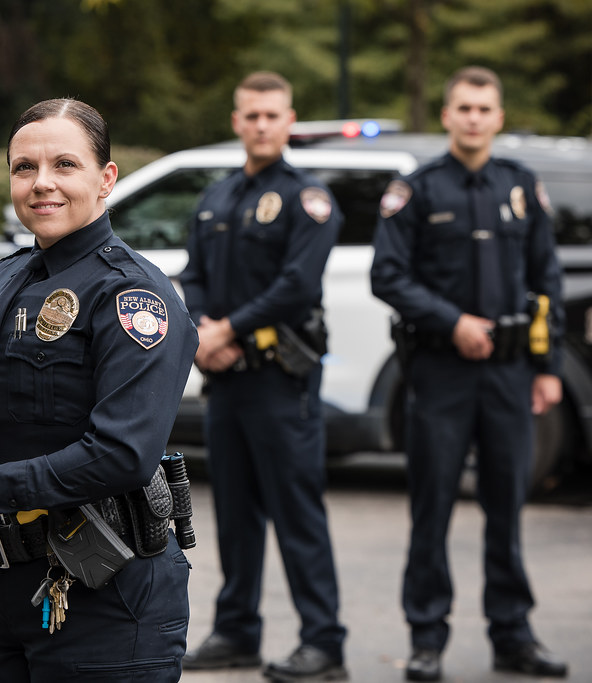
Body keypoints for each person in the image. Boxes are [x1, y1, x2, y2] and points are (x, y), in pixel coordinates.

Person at [0, 98, 198, 682]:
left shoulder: (134, 297)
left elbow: (122, 454)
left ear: (106, 178)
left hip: (106, 602)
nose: (42, 184)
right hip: (3, 596)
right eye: (25, 168)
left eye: (64, 165)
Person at [371, 66, 569, 681]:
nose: (474, 117)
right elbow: (389, 275)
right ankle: (426, 639)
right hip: (440, 373)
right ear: (448, 115)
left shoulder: (520, 185)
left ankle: (513, 636)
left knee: (507, 509)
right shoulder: (417, 189)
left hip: (510, 377)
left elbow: (546, 280)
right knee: (431, 510)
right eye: (464, 107)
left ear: (498, 116)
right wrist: (453, 320)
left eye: (485, 108)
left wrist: (548, 366)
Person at [179, 71, 348, 681]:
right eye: (250, 115)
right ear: (236, 121)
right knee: (236, 513)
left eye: (272, 115)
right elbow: (192, 276)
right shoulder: (216, 198)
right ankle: (236, 633)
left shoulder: (309, 198)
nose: (260, 125)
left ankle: (324, 643)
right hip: (227, 382)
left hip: (282, 381)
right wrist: (201, 331)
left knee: (297, 513)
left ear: (289, 120)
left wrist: (228, 330)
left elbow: (298, 285)